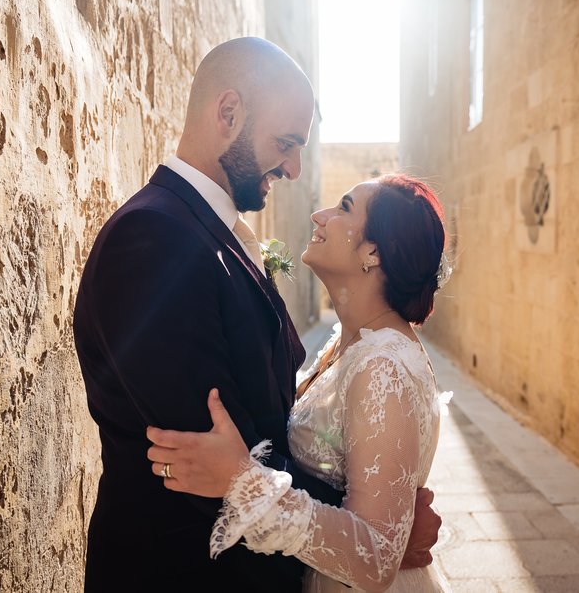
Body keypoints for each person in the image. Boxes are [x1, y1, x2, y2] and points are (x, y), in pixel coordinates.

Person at [73, 37, 439, 591]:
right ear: (228, 114)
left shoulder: (207, 232)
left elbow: (247, 449)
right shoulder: (154, 239)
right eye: (286, 143)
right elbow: (206, 458)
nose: (295, 169)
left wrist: (375, 525)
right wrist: (371, 524)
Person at [146, 174, 451, 592]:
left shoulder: (385, 366)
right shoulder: (352, 344)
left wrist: (242, 480)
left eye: (344, 207)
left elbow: (377, 556)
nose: (318, 215)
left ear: (373, 251)